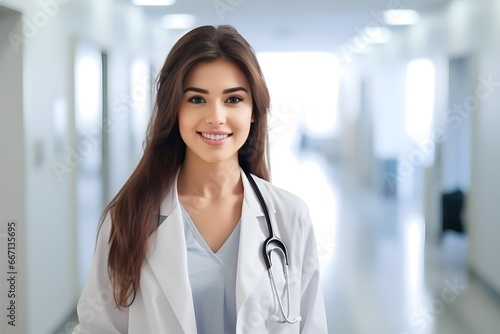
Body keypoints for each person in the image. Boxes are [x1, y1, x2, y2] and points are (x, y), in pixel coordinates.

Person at [73, 25, 327, 334]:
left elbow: (311, 325)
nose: (216, 116)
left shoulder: (291, 216)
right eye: (196, 100)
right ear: (174, 109)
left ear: (253, 112)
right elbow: (98, 328)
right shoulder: (128, 216)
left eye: (233, 99)